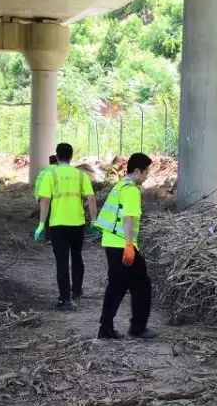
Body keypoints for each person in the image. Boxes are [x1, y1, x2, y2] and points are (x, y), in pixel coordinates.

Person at [95, 152, 156, 340]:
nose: (146, 177)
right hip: (123, 244)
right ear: (137, 171)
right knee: (142, 285)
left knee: (117, 285)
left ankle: (105, 328)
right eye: (146, 173)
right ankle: (138, 327)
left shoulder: (120, 186)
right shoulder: (131, 190)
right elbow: (127, 218)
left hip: (111, 243)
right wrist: (129, 246)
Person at [34, 143, 96, 308]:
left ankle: (64, 299)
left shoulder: (51, 174)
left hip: (57, 224)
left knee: (61, 260)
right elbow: (90, 198)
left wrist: (41, 224)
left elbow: (45, 200)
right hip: (77, 223)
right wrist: (94, 220)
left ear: (57, 155)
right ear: (71, 156)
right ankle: (76, 291)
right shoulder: (81, 175)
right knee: (77, 256)